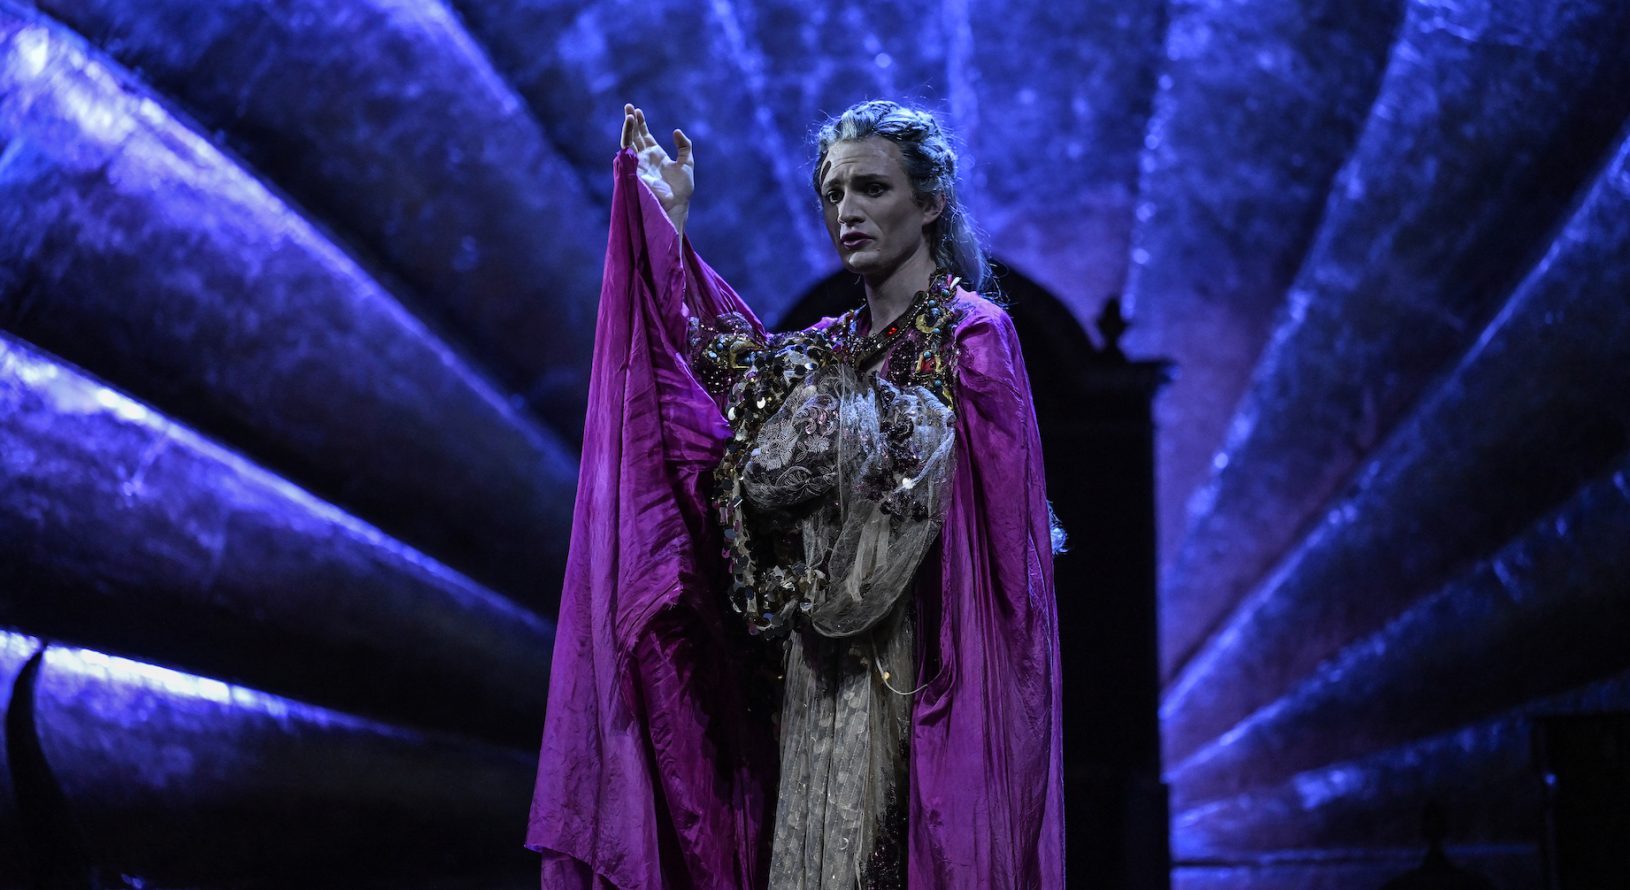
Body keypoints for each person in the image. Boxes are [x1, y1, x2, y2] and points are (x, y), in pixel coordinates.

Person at [526, 99, 1064, 889]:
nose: (848, 210)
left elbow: (1001, 550)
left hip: (927, 684)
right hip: (815, 684)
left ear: (930, 203)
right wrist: (667, 228)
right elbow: (707, 379)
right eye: (833, 193)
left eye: (872, 188)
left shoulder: (972, 336)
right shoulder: (824, 351)